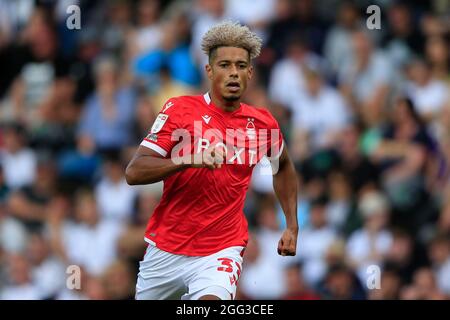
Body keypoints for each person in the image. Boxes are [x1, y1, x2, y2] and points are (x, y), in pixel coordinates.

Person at [126, 21, 299, 300]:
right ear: (209, 70)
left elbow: (283, 168)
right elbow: (134, 172)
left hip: (221, 249)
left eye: (241, 66)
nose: (233, 73)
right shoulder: (179, 110)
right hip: (167, 248)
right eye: (225, 65)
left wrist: (291, 224)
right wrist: (188, 159)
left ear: (250, 72)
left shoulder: (263, 124)